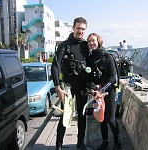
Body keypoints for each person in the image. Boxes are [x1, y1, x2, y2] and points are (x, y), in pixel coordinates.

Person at [51, 17, 90, 150]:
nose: (80, 31)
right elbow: (55, 66)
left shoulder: (86, 45)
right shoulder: (64, 45)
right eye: (78, 28)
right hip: (67, 87)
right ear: (73, 28)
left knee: (82, 116)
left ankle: (80, 143)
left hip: (83, 86)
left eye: (83, 29)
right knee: (66, 115)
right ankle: (59, 145)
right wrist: (57, 87)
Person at [87, 33, 121, 150]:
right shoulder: (90, 58)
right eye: (89, 41)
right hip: (98, 93)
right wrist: (93, 86)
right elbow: (90, 77)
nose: (91, 43)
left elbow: (113, 77)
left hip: (109, 91)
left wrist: (102, 89)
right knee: (101, 118)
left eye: (93, 41)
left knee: (110, 118)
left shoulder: (107, 56)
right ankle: (105, 142)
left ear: (99, 41)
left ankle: (118, 142)